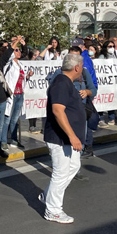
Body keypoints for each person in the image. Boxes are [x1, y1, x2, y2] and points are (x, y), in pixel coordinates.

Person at [40, 53, 87, 224]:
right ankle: (53, 210)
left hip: (67, 138)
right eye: (82, 66)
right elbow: (58, 111)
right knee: (60, 173)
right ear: (77, 67)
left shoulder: (66, 82)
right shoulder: (61, 83)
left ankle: (48, 195)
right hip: (60, 138)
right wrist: (72, 136)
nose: (82, 70)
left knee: (74, 166)